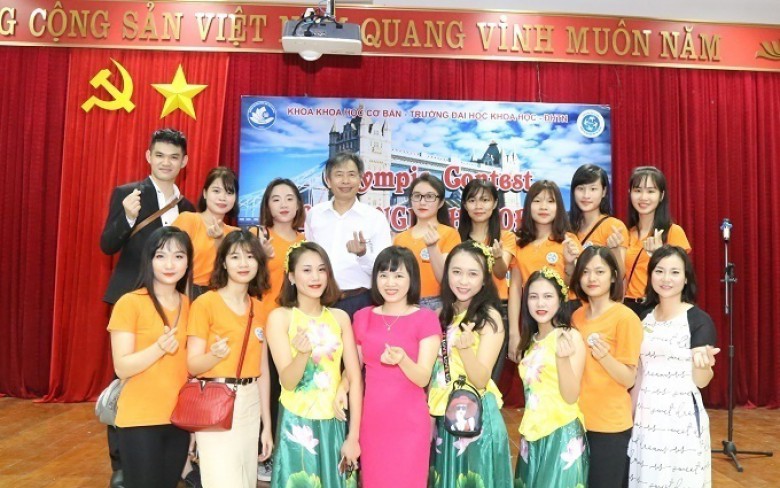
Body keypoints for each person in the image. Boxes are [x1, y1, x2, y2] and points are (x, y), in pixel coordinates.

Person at [100, 127, 194, 488]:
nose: (166, 162)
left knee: (170, 372)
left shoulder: (188, 207)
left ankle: (170, 451)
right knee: (125, 380)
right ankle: (123, 464)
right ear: (148, 157)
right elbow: (107, 245)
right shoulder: (128, 195)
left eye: (174, 157)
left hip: (172, 302)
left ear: (184, 161)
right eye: (160, 155)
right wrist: (126, 217)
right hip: (132, 299)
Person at [265, 241, 362, 488]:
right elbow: (287, 382)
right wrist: (302, 355)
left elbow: (355, 376)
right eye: (306, 270)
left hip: (335, 423)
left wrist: (353, 437)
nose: (315, 277)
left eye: (321, 269)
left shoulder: (340, 318)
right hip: (298, 426)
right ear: (291, 276)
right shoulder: (280, 317)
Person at [186, 230, 273, 488]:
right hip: (215, 401)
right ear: (223, 262)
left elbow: (263, 371)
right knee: (223, 481)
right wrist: (214, 356)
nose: (243, 263)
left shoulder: (259, 308)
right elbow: (192, 364)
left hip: (250, 401)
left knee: (246, 481)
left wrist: (267, 425)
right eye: (235, 257)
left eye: (250, 256)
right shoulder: (205, 303)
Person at [107, 227, 193, 488]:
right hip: (139, 419)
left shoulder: (191, 305)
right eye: (161, 256)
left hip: (178, 419)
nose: (170, 264)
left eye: (178, 256)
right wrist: (158, 348)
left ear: (188, 262)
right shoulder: (130, 303)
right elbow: (122, 367)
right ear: (149, 260)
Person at [628, 245, 719, 487]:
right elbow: (640, 372)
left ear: (686, 278)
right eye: (659, 271)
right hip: (647, 414)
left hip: (681, 417)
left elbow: (701, 381)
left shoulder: (699, 320)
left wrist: (704, 365)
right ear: (650, 275)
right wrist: (630, 414)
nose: (666, 278)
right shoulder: (643, 317)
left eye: (675, 272)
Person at [352, 246, 440, 487]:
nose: (390, 283)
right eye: (384, 275)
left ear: (412, 279)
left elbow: (423, 378)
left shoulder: (426, 319)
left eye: (399, 275)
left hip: (410, 423)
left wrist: (403, 360)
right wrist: (342, 387)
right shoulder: (363, 316)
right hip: (372, 421)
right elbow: (353, 369)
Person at [428, 242, 513, 487]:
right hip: (443, 416)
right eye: (456, 272)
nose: (463, 281)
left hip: (476, 421)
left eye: (472, 274)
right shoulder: (439, 315)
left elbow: (481, 379)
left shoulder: (489, 317)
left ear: (484, 279)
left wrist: (465, 351)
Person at [570, 246, 643, 488]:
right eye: (585, 272)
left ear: (613, 276)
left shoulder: (625, 318)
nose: (591, 278)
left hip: (610, 426)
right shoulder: (577, 317)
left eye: (599, 271)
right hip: (577, 421)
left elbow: (629, 378)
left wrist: (605, 358)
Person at [248, 177, 306, 482]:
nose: (283, 205)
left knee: (292, 389)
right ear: (267, 205)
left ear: (298, 205)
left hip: (295, 327)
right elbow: (243, 279)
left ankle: (291, 450)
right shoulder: (256, 236)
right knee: (266, 391)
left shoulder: (305, 242)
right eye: (276, 199)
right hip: (262, 325)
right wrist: (260, 256)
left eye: (289, 198)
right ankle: (264, 454)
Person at [515, 267, 588, 487]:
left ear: (560, 300)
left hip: (561, 433)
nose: (540, 303)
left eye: (548, 296)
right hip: (531, 433)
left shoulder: (569, 336)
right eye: (533, 297)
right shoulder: (531, 341)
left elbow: (571, 396)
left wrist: (562, 359)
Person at [305, 152, 392, 319]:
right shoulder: (314, 215)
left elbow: (385, 268)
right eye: (339, 175)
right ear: (328, 180)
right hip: (320, 300)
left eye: (351, 174)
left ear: (360, 180)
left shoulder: (375, 218)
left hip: (361, 301)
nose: (345, 181)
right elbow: (309, 258)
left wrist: (363, 254)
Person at [508, 180, 580, 362]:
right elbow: (515, 289)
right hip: (531, 317)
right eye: (537, 201)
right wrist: (514, 333)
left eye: (550, 201)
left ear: (559, 207)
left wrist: (570, 264)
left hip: (564, 315)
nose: (543, 207)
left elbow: (573, 286)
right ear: (528, 205)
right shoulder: (519, 243)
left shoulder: (568, 240)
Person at [458, 179, 517, 381]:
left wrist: (498, 257)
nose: (478, 206)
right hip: (464, 310)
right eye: (472, 200)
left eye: (485, 200)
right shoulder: (456, 238)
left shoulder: (505, 237)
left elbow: (501, 273)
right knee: (461, 370)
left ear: (494, 204)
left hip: (496, 309)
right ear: (465, 205)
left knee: (488, 377)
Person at [624, 166, 691, 318]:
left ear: (661, 195)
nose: (643, 197)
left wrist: (658, 255)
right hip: (629, 309)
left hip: (659, 308)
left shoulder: (673, 232)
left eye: (650, 191)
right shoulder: (626, 233)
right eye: (638, 190)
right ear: (630, 193)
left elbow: (682, 277)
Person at [393, 174, 461, 310]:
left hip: (437, 304)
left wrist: (433, 247)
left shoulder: (449, 234)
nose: (422, 202)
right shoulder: (400, 238)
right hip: (404, 303)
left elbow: (446, 279)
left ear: (440, 202)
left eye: (429, 196)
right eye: (417, 196)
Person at [173, 167, 239, 298]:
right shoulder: (188, 220)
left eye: (229, 192)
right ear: (205, 193)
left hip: (222, 297)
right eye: (216, 191)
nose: (222, 197)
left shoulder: (236, 234)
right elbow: (171, 260)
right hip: (187, 293)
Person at [569, 164, 629, 277]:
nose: (586, 195)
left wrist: (615, 250)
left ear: (604, 191)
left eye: (593, 189)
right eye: (581, 188)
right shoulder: (566, 226)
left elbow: (620, 275)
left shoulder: (613, 226)